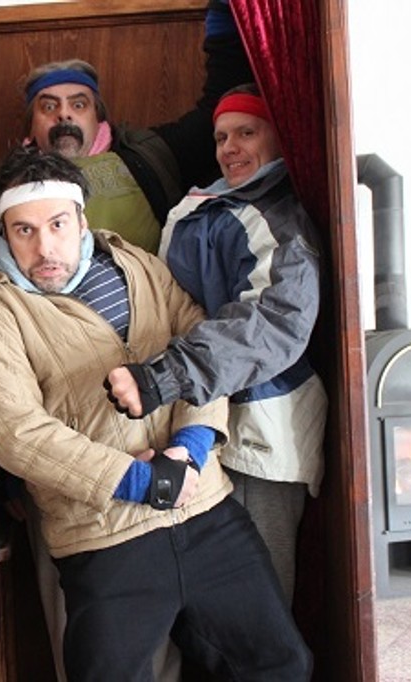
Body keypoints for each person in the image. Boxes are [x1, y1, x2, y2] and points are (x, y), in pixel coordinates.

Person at [0, 146, 312, 681]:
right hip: (105, 534)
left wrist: (192, 447)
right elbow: (12, 428)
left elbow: (201, 349)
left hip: (203, 507)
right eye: (24, 231)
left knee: (280, 664)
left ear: (82, 220)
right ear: (4, 235)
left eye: (57, 224)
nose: (44, 246)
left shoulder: (139, 266)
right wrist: (131, 479)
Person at [103, 83, 328, 603]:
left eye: (246, 133)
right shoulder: (215, 202)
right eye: (222, 137)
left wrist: (166, 377)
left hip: (258, 424)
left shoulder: (277, 218)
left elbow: (274, 322)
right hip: (203, 418)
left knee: (257, 598)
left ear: (278, 139)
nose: (230, 148)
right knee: (212, 597)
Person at [0, 0, 254, 273]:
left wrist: (224, 12)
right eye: (48, 106)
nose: (64, 114)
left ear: (98, 117)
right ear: (30, 126)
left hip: (158, 297)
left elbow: (220, 107)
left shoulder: (150, 153)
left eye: (78, 104)